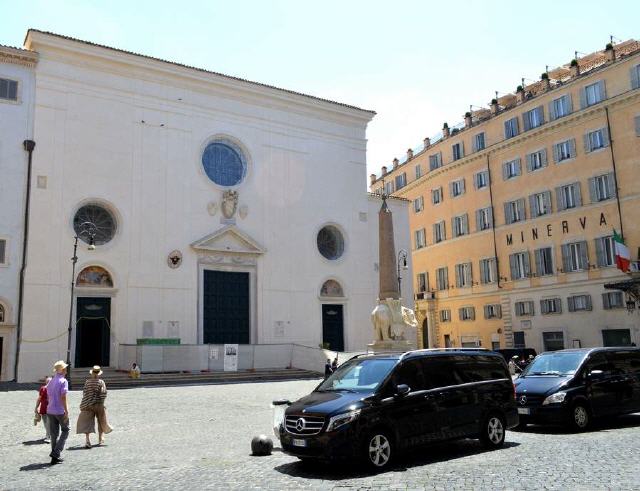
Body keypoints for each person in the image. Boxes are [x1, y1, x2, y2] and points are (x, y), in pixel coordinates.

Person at [76, 365, 113, 448]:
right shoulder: (101, 382)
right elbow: (103, 393)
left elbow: (85, 393)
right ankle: (100, 438)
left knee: (87, 422)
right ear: (99, 374)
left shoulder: (87, 382)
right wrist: (101, 403)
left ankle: (87, 440)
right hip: (98, 404)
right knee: (101, 421)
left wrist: (86, 401)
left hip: (88, 404)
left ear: (92, 373)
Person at [46, 360, 70, 465]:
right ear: (63, 370)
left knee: (54, 433)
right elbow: (63, 396)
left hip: (50, 409)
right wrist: (66, 410)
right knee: (66, 430)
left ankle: (54, 457)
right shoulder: (63, 381)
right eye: (65, 368)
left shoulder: (51, 381)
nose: (66, 370)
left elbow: (48, 395)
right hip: (59, 410)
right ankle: (56, 453)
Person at [34, 376, 52, 443]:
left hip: (51, 409)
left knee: (49, 423)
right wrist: (36, 407)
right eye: (47, 382)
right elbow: (39, 398)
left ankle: (48, 436)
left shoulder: (54, 389)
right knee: (45, 423)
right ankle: (48, 434)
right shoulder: (43, 388)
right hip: (43, 408)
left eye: (50, 382)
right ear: (46, 382)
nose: (48, 383)